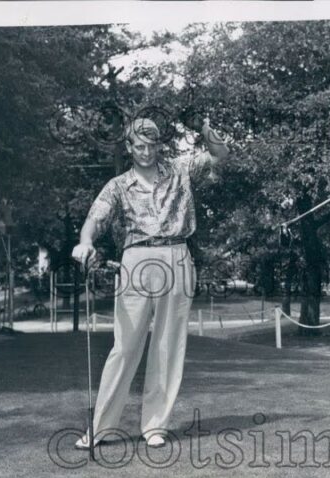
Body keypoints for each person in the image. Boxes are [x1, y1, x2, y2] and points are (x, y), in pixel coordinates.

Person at [72, 116, 229, 449]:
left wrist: (208, 133)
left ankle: (155, 425)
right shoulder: (117, 185)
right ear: (129, 147)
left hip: (178, 255)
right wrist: (86, 242)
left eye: (151, 145)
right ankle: (100, 428)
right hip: (136, 260)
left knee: (168, 345)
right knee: (125, 346)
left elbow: (218, 155)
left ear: (160, 145)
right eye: (138, 146)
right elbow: (94, 219)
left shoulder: (181, 169)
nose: (145, 152)